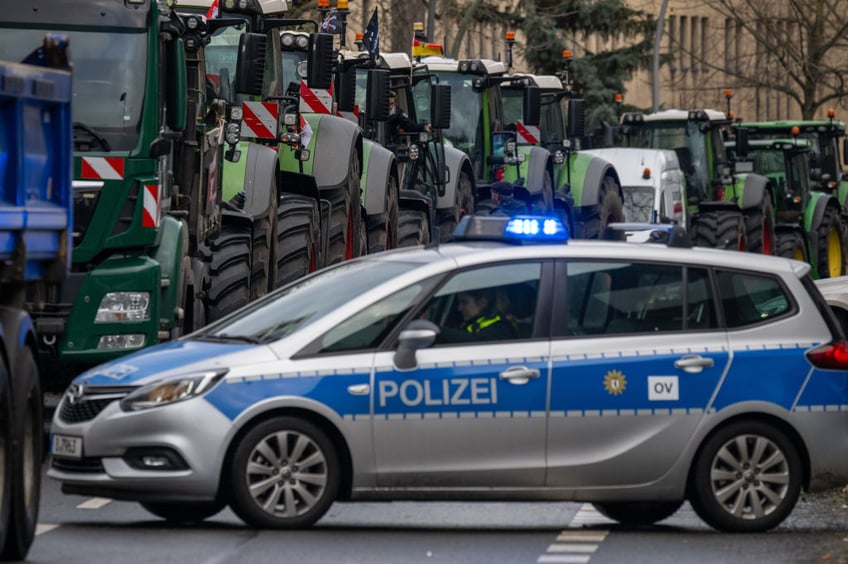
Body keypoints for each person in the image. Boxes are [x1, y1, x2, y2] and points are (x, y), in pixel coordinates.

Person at [440, 288, 517, 343]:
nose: (459, 308)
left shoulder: (500, 328)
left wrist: (437, 330)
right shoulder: (470, 322)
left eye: (465, 302)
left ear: (482, 303)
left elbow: (472, 341)